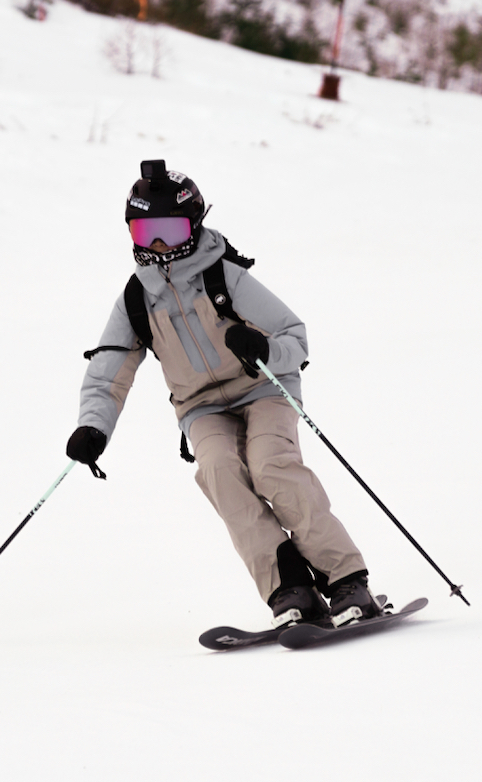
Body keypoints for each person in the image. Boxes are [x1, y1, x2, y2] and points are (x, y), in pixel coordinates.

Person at [66, 160, 377, 628]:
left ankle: (346, 581)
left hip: (263, 390)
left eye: (168, 231)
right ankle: (289, 589)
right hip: (201, 408)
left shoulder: (224, 277)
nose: (157, 244)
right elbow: (109, 373)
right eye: (144, 231)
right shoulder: (136, 299)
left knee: (272, 467)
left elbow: (294, 336)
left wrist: (264, 349)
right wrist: (93, 427)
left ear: (192, 226)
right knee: (219, 472)